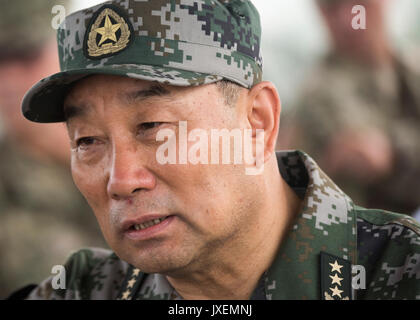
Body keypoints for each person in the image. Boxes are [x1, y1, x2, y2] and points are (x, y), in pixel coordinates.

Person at [9, 0, 420, 300]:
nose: (120, 180)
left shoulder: (400, 273)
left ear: (258, 123)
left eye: (153, 127)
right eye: (87, 141)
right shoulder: (86, 290)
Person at [0, 0, 106, 298]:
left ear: (65, 51)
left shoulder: (134, 153)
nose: (8, 79)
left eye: (25, 56)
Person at [278, 0, 420, 215]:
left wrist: (393, 155)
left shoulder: (410, 72)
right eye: (332, 8)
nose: (349, 20)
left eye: (359, 4)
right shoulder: (316, 98)